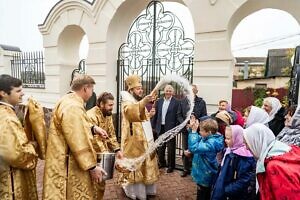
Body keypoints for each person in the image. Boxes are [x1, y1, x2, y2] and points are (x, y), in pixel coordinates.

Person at [43, 74, 108, 200]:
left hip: (60, 158)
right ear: (85, 88)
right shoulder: (73, 106)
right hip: (69, 165)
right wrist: (92, 167)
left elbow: (72, 126)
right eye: (92, 90)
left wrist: (93, 128)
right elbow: (78, 138)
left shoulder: (66, 100)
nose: (92, 94)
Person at [119, 75, 159, 200]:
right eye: (138, 89)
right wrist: (144, 102)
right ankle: (134, 192)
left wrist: (150, 115)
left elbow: (142, 117)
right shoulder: (127, 101)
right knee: (135, 165)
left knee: (146, 162)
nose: (141, 90)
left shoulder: (136, 101)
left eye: (141, 88)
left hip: (145, 138)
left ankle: (147, 190)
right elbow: (131, 113)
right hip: (133, 141)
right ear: (131, 90)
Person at [0, 74, 39, 200]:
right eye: (18, 91)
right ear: (3, 93)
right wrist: (32, 147)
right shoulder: (7, 118)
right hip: (10, 178)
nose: (22, 93)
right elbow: (14, 153)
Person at [243, 123, 300, 200]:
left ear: (257, 141)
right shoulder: (285, 150)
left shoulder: (274, 166)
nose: (246, 148)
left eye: (247, 143)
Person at [87, 92, 123, 199]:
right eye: (110, 105)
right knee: (92, 184)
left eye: (113, 105)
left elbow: (111, 134)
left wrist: (117, 150)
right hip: (91, 155)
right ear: (101, 104)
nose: (112, 108)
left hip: (102, 155)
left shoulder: (108, 115)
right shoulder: (91, 115)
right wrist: (107, 154)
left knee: (101, 184)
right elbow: (95, 139)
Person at [211, 125, 256, 200]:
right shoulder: (229, 150)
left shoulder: (243, 156)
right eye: (225, 138)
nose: (225, 140)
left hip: (232, 194)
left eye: (228, 138)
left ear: (237, 138)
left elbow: (244, 180)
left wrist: (226, 190)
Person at [186, 116, 224, 200]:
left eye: (201, 131)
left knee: (202, 195)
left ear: (209, 132)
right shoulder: (209, 138)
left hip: (205, 175)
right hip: (204, 173)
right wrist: (192, 129)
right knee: (205, 193)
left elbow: (194, 148)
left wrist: (193, 132)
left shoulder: (212, 143)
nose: (199, 132)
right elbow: (199, 138)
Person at [177, 84, 207, 177]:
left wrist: (195, 124)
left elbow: (204, 116)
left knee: (196, 150)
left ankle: (195, 169)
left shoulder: (201, 102)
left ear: (196, 91)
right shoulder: (182, 102)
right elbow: (179, 115)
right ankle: (186, 169)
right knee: (186, 149)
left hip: (197, 131)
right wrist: (186, 124)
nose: (191, 92)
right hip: (186, 130)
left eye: (193, 90)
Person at [152, 84, 179, 173]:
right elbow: (155, 114)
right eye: (167, 90)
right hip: (160, 127)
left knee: (171, 148)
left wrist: (176, 128)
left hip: (171, 128)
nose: (168, 92)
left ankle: (171, 166)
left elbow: (178, 116)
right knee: (161, 146)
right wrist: (153, 126)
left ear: (172, 92)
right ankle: (162, 163)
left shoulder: (176, 102)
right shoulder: (159, 101)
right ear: (164, 91)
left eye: (170, 91)